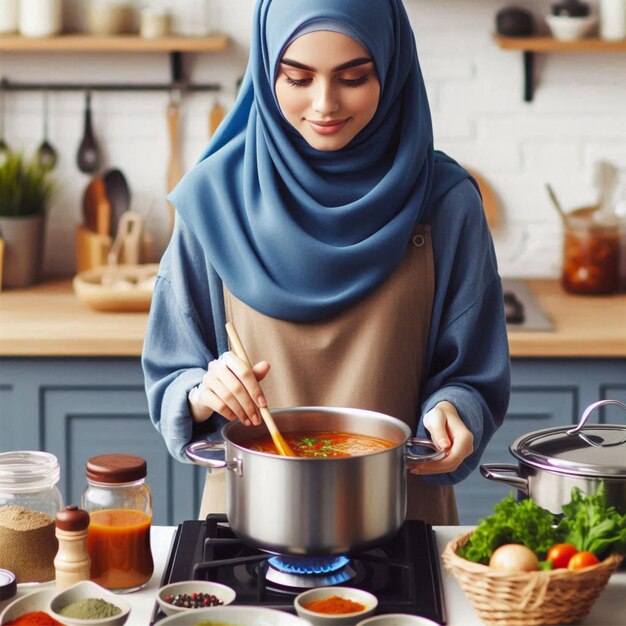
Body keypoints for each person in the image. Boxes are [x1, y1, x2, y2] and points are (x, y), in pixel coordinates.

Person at [142, 0, 510, 525]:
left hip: (401, 516)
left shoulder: (446, 202)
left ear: (392, 65)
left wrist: (453, 409)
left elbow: (471, 374)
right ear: (266, 72)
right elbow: (171, 375)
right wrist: (203, 392)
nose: (324, 104)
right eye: (297, 78)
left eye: (353, 77)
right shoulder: (213, 197)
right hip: (246, 520)